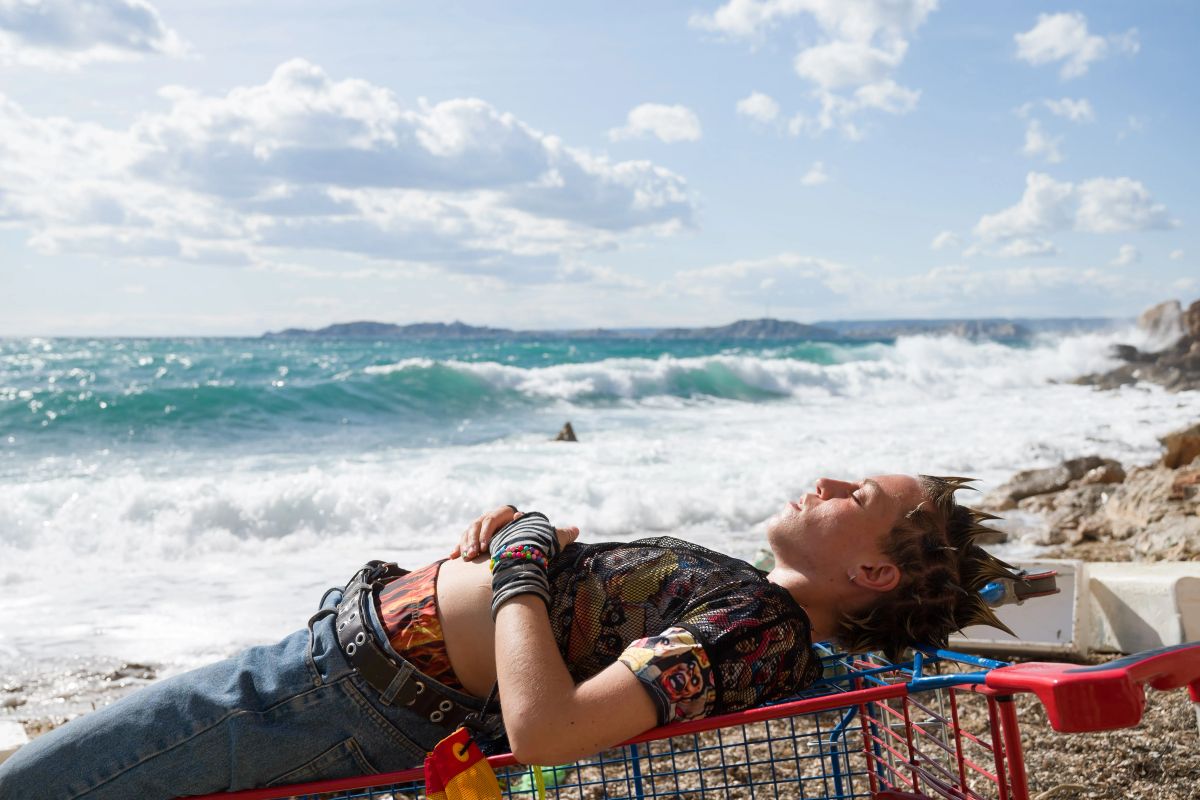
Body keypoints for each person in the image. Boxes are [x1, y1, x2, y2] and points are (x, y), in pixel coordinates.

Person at [0, 474, 1017, 799]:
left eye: (857, 494)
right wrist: (509, 555)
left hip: (336, 698)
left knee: (37, 783)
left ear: (871, 571)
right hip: (339, 671)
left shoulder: (757, 628)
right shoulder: (758, 605)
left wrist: (520, 569)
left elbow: (548, 726)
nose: (831, 477)